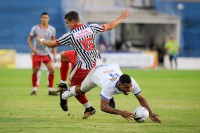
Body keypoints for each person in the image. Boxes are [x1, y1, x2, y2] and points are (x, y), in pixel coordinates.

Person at [37, 10, 131, 118]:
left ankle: (88, 107)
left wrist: (42, 40)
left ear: (73, 22)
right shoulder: (91, 27)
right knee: (64, 55)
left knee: (75, 88)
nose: (67, 25)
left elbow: (51, 44)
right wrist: (121, 17)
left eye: (67, 23)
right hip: (93, 61)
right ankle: (62, 84)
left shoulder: (71, 35)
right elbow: (110, 26)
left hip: (83, 67)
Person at [58, 63, 161, 122]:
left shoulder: (132, 83)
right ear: (119, 84)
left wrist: (151, 113)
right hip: (96, 73)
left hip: (110, 69)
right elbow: (103, 107)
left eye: (129, 87)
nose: (129, 90)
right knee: (81, 90)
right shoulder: (109, 85)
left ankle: (109, 96)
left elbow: (141, 98)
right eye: (126, 88)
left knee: (109, 94)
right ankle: (64, 95)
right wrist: (120, 112)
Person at [27, 12, 57, 95]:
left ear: (49, 18)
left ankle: (50, 90)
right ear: (41, 18)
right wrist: (33, 49)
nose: (45, 19)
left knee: (52, 70)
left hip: (46, 53)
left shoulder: (52, 29)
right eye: (43, 17)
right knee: (35, 70)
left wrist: (54, 55)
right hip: (37, 53)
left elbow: (54, 43)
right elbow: (29, 40)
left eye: (46, 17)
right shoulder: (35, 28)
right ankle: (34, 89)